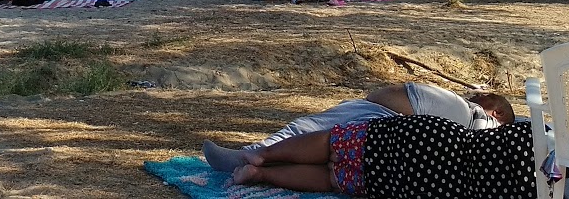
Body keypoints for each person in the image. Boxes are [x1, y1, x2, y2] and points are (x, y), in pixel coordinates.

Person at [221, 106, 536, 196]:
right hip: (437, 186)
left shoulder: (542, 137)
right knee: (334, 179)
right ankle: (258, 174)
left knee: (336, 143)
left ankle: (262, 156)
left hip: (435, 140)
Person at [202, 83, 515, 171]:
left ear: (498, 110)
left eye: (483, 95)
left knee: (317, 134)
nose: (474, 94)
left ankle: (252, 156)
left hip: (387, 121)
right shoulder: (478, 125)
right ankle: (257, 162)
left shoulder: (480, 118)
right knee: (326, 152)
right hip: (393, 125)